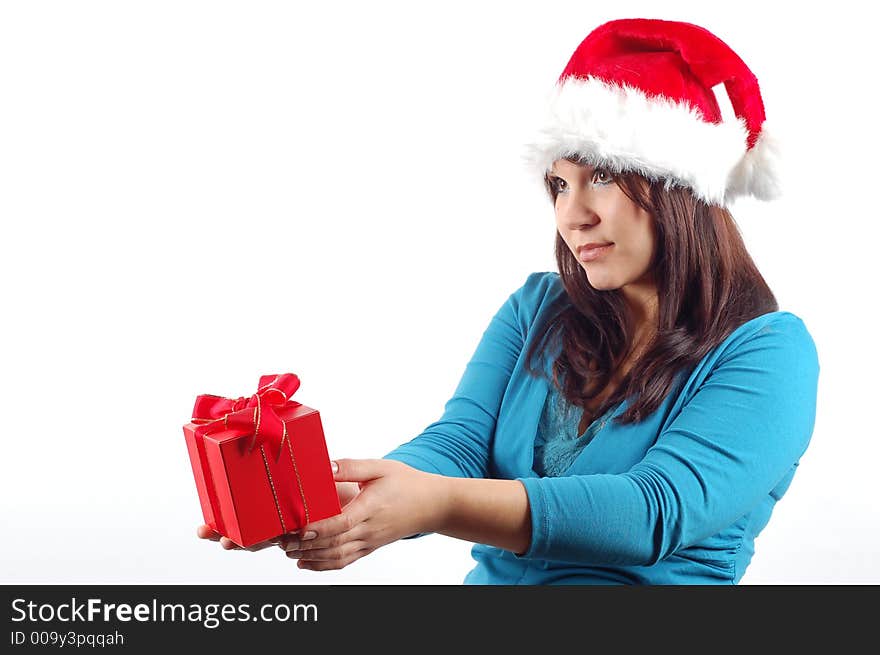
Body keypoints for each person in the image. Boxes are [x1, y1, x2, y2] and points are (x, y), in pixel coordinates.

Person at [197, 17, 820, 584]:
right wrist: (343, 497)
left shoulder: (769, 353)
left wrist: (436, 502)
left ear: (680, 187)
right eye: (557, 184)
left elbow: (651, 513)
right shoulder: (538, 310)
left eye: (599, 176)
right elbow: (459, 446)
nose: (571, 215)